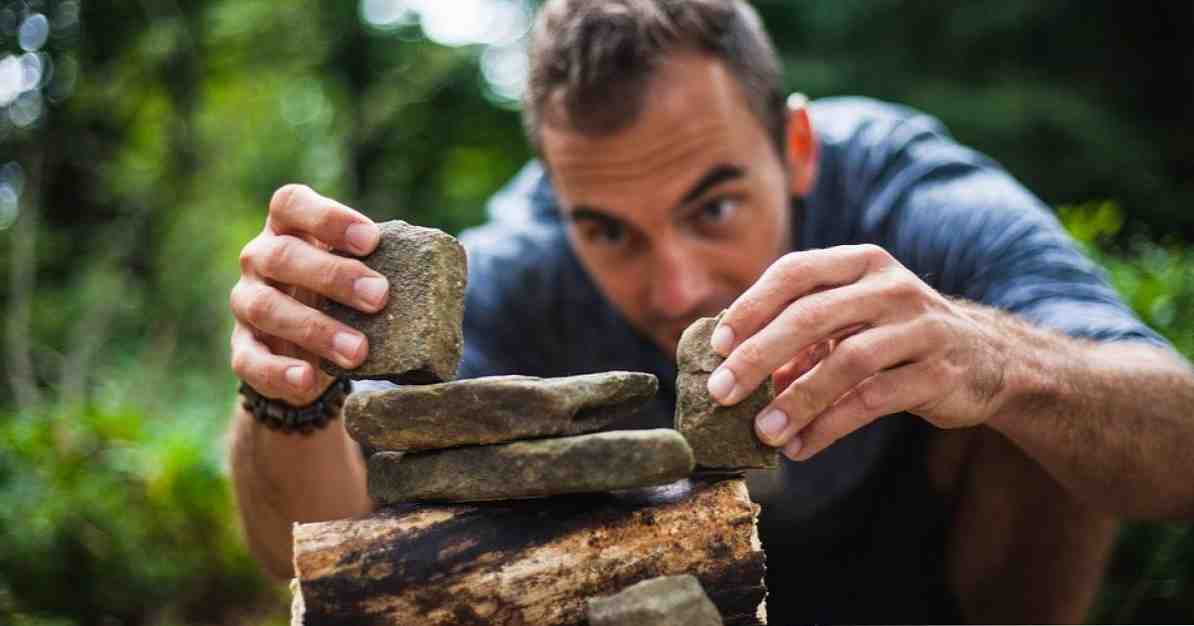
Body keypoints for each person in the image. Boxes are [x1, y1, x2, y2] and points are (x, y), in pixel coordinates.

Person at [226, 1, 1194, 622]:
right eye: (607, 229)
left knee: (1042, 393)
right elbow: (309, 554)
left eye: (715, 205)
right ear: (558, 197)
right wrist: (291, 386)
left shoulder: (911, 191)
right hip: (664, 591)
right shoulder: (524, 256)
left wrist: (1001, 362)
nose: (680, 285)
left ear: (798, 146)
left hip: (931, 572)